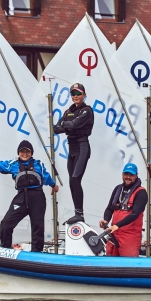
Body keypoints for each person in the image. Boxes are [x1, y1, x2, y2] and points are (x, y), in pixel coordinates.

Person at [0, 140, 58, 252]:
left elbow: (46, 177)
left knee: (37, 227)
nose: (25, 154)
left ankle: (36, 253)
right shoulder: (13, 164)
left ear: (31, 153)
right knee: (6, 223)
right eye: (22, 151)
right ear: (18, 153)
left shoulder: (39, 164)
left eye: (27, 152)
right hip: (21, 197)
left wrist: (53, 185)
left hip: (38, 197)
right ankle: (5, 248)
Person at [54, 83, 94, 225]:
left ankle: (79, 214)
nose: (75, 96)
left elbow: (72, 125)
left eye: (78, 93)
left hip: (82, 147)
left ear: (84, 95)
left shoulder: (87, 110)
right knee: (72, 181)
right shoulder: (68, 111)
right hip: (71, 148)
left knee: (75, 179)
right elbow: (56, 129)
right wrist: (68, 124)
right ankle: (78, 213)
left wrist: (67, 124)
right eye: (73, 94)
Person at [99, 163, 148, 257]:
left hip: (130, 236)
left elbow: (135, 214)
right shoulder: (118, 189)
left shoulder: (141, 192)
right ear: (122, 174)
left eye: (131, 175)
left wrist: (117, 225)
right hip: (114, 234)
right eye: (126, 174)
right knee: (110, 262)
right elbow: (109, 208)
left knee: (129, 264)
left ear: (136, 175)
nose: (128, 177)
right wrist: (106, 220)